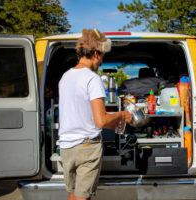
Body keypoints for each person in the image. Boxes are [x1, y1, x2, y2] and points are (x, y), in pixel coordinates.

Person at [58, 29, 132, 200]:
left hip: (66, 146)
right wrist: (121, 115)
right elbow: (101, 121)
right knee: (83, 197)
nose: (102, 60)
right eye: (103, 55)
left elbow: (82, 112)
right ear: (97, 53)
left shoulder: (65, 77)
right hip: (87, 147)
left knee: (73, 193)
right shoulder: (92, 78)